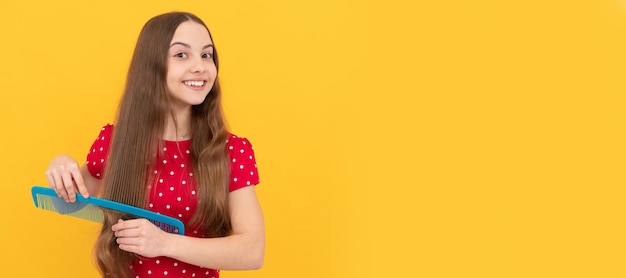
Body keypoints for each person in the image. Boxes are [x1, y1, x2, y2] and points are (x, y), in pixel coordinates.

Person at [44, 11, 264, 278]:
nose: (200, 66)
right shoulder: (116, 142)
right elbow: (65, 203)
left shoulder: (231, 151)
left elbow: (252, 250)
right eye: (181, 55)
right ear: (152, 65)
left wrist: (164, 243)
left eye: (206, 55)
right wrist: (61, 166)